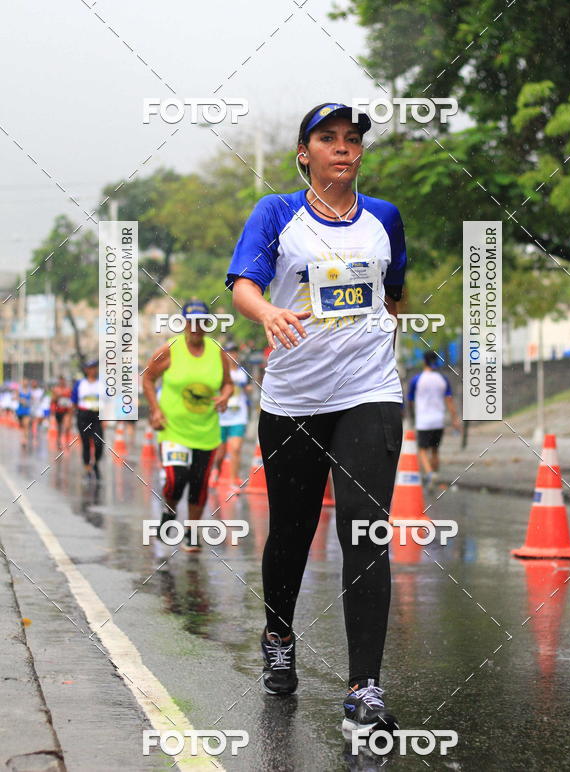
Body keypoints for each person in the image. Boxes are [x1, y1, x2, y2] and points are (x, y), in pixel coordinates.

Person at [226, 103, 407, 737]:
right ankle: (278, 633)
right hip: (294, 399)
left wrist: (375, 333)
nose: (341, 148)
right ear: (305, 153)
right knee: (293, 532)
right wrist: (267, 315)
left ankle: (365, 686)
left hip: (371, 392)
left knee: (366, 533)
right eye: (327, 139)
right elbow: (244, 284)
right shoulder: (277, 212)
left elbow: (394, 290)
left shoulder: (385, 218)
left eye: (351, 139)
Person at [143, 299, 233, 553]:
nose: (196, 327)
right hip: (173, 429)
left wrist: (225, 395)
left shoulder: (217, 351)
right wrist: (156, 409)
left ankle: (191, 533)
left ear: (207, 323)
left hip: (206, 430)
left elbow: (228, 383)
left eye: (201, 321)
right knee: (176, 479)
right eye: (191, 321)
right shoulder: (170, 349)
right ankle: (169, 513)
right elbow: (148, 379)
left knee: (199, 483)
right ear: (184, 323)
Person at [407, 350, 461, 485]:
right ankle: (435, 474)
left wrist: (412, 417)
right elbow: (449, 401)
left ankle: (430, 474)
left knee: (422, 450)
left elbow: (410, 401)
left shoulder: (416, 380)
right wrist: (455, 419)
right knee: (435, 450)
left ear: (424, 361)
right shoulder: (443, 379)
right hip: (438, 422)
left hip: (423, 422)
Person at [210, 341, 253, 488]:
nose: (232, 355)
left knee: (235, 449)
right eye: (229, 352)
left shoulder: (243, 372)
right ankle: (216, 469)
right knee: (220, 453)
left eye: (234, 352)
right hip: (222, 416)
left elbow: (249, 387)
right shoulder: (217, 371)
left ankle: (233, 480)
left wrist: (248, 389)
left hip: (238, 415)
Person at [74, 360, 103, 478]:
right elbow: (74, 401)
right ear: (87, 370)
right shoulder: (80, 384)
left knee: (99, 443)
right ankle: (87, 468)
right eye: (91, 368)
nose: (94, 371)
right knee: (86, 443)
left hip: (97, 417)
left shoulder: (101, 384)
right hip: (83, 416)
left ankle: (95, 463)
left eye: (95, 368)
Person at [51, 376, 73, 448]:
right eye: (60, 381)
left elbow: (72, 400)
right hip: (58, 411)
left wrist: (71, 409)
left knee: (67, 426)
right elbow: (52, 400)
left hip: (66, 411)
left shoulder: (68, 389)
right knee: (59, 427)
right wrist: (57, 396)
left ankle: (67, 442)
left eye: (63, 381)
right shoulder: (55, 389)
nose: (62, 382)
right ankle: (59, 441)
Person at [16, 379, 32, 446]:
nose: (25, 383)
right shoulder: (19, 390)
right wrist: (21, 400)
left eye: (26, 382)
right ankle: (23, 437)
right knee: (22, 425)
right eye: (24, 382)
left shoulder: (29, 391)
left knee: (26, 425)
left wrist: (30, 402)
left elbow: (31, 399)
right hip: (20, 410)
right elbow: (16, 398)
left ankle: (25, 440)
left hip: (27, 410)